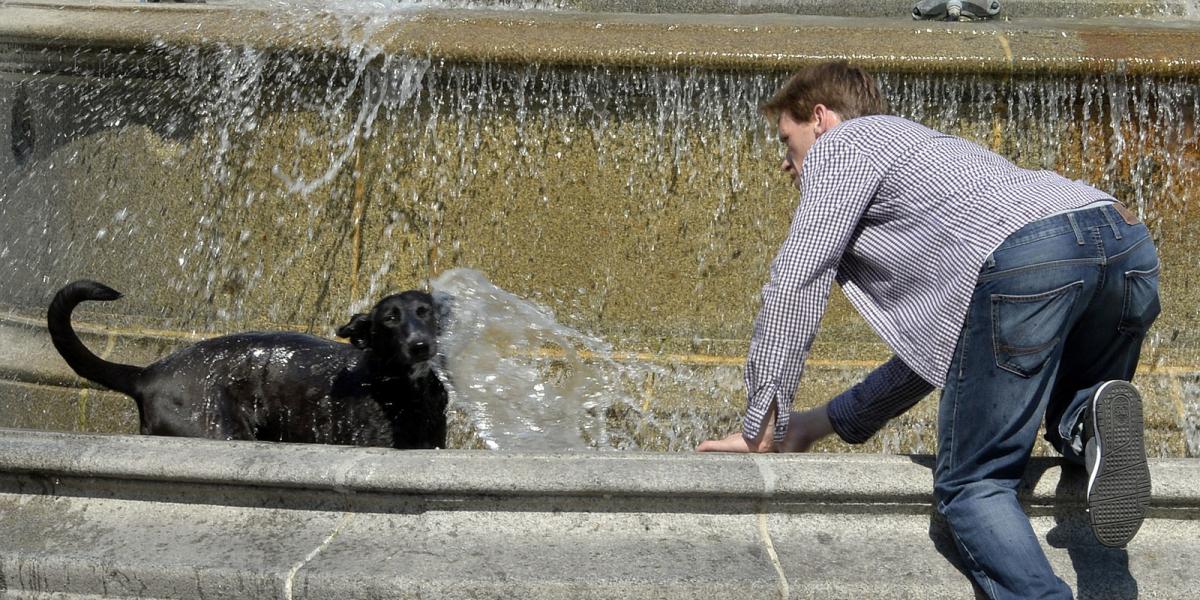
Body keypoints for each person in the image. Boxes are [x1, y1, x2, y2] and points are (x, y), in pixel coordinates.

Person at [697, 61, 1158, 599]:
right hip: (1122, 241)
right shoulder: (934, 160)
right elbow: (948, 356)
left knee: (972, 484)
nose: (787, 164)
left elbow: (798, 277)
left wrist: (762, 420)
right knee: (1074, 414)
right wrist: (813, 425)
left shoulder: (845, 144)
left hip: (1032, 262)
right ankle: (1091, 423)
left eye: (788, 140)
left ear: (820, 118)